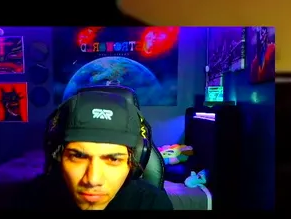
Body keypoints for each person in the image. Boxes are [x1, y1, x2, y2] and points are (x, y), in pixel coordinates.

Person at [12, 86, 173, 210]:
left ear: (135, 162)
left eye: (113, 159)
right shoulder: (27, 200)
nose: (92, 180)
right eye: (78, 156)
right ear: (57, 157)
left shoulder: (152, 204)